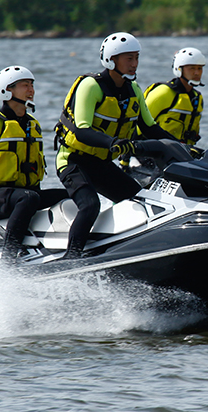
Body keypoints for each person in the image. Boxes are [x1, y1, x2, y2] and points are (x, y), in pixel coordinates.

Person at [55, 32, 175, 259]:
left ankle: (125, 249)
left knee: (141, 202)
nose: (134, 64)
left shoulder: (134, 90)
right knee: (90, 206)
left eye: (136, 58)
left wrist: (183, 147)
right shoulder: (91, 86)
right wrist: (113, 143)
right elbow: (81, 129)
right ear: (112, 59)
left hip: (101, 164)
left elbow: (151, 128)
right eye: (128, 58)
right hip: (73, 162)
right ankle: (71, 258)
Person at [0, 66, 63, 261]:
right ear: (6, 90)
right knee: (28, 198)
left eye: (32, 85)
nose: (31, 90)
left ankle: (61, 250)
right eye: (25, 85)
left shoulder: (32, 124)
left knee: (71, 195)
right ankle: (9, 258)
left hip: (24, 196)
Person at [141, 47, 205, 146]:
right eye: (192, 68)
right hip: (150, 153)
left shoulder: (197, 98)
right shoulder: (163, 92)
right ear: (179, 69)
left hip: (181, 154)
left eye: (199, 68)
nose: (197, 73)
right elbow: (139, 124)